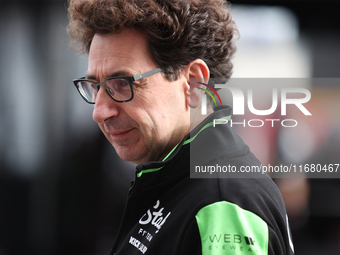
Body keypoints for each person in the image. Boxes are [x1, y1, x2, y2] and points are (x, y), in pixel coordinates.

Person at [67, 0, 295, 254]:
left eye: (122, 83)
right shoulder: (183, 183)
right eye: (95, 86)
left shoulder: (221, 204)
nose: (99, 112)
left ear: (194, 82)